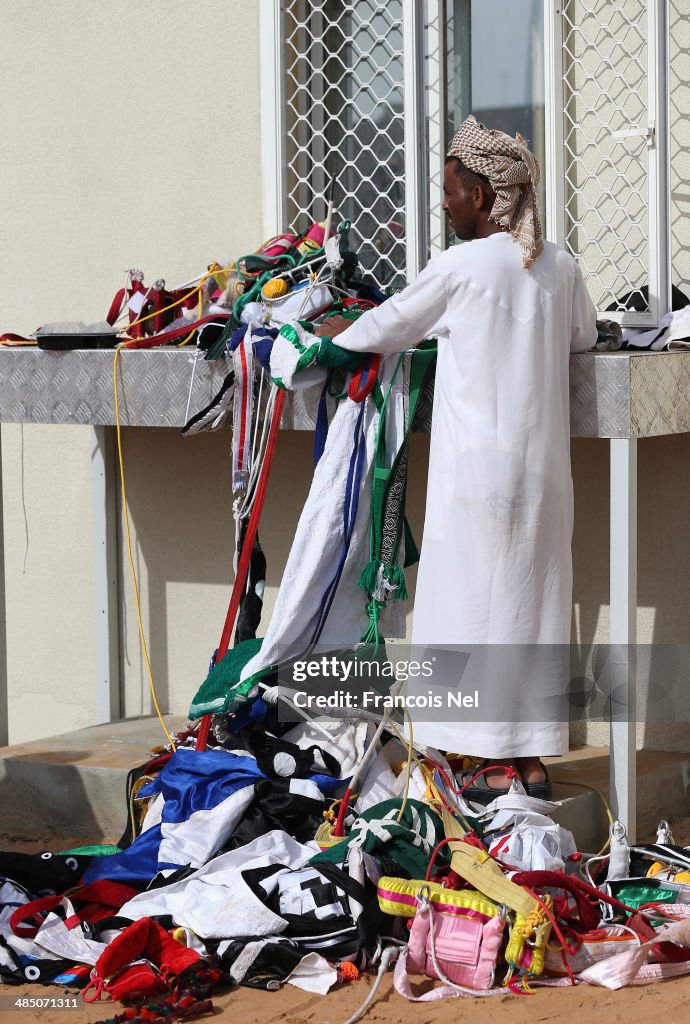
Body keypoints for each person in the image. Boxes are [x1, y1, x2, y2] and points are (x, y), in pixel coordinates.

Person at [315, 116, 597, 800]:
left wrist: (332, 331)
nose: (442, 204)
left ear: (481, 194)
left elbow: (386, 328)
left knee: (462, 614)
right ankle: (530, 763)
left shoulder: (460, 266)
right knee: (530, 617)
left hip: (474, 478)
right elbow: (586, 335)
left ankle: (452, 754)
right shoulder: (559, 267)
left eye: (449, 191)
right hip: (540, 482)